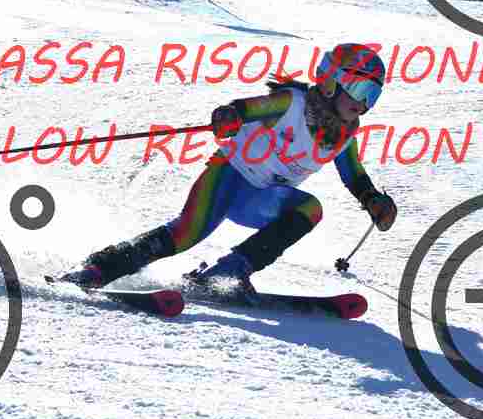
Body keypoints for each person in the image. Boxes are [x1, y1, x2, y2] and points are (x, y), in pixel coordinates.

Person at [59, 43, 398, 292]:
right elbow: (247, 109)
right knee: (185, 233)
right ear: (330, 81)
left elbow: (353, 174)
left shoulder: (343, 136)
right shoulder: (291, 103)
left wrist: (373, 200)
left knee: (311, 208)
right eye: (359, 89)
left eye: (372, 95)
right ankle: (98, 269)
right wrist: (230, 116)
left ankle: (226, 274)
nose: (362, 103)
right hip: (228, 177)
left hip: (261, 200)